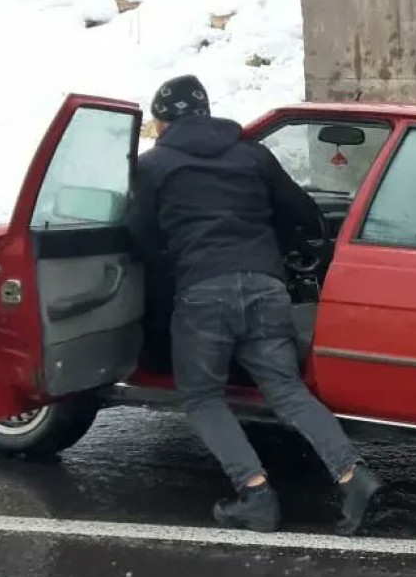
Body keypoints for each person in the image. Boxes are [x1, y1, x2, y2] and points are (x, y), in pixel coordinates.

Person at [127, 74, 382, 535]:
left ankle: (256, 494)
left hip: (203, 292)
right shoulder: (251, 153)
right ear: (205, 111)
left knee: (202, 397)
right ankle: (352, 475)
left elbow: (141, 237)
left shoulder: (154, 167)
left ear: (163, 124)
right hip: (266, 286)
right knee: (286, 390)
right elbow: (302, 212)